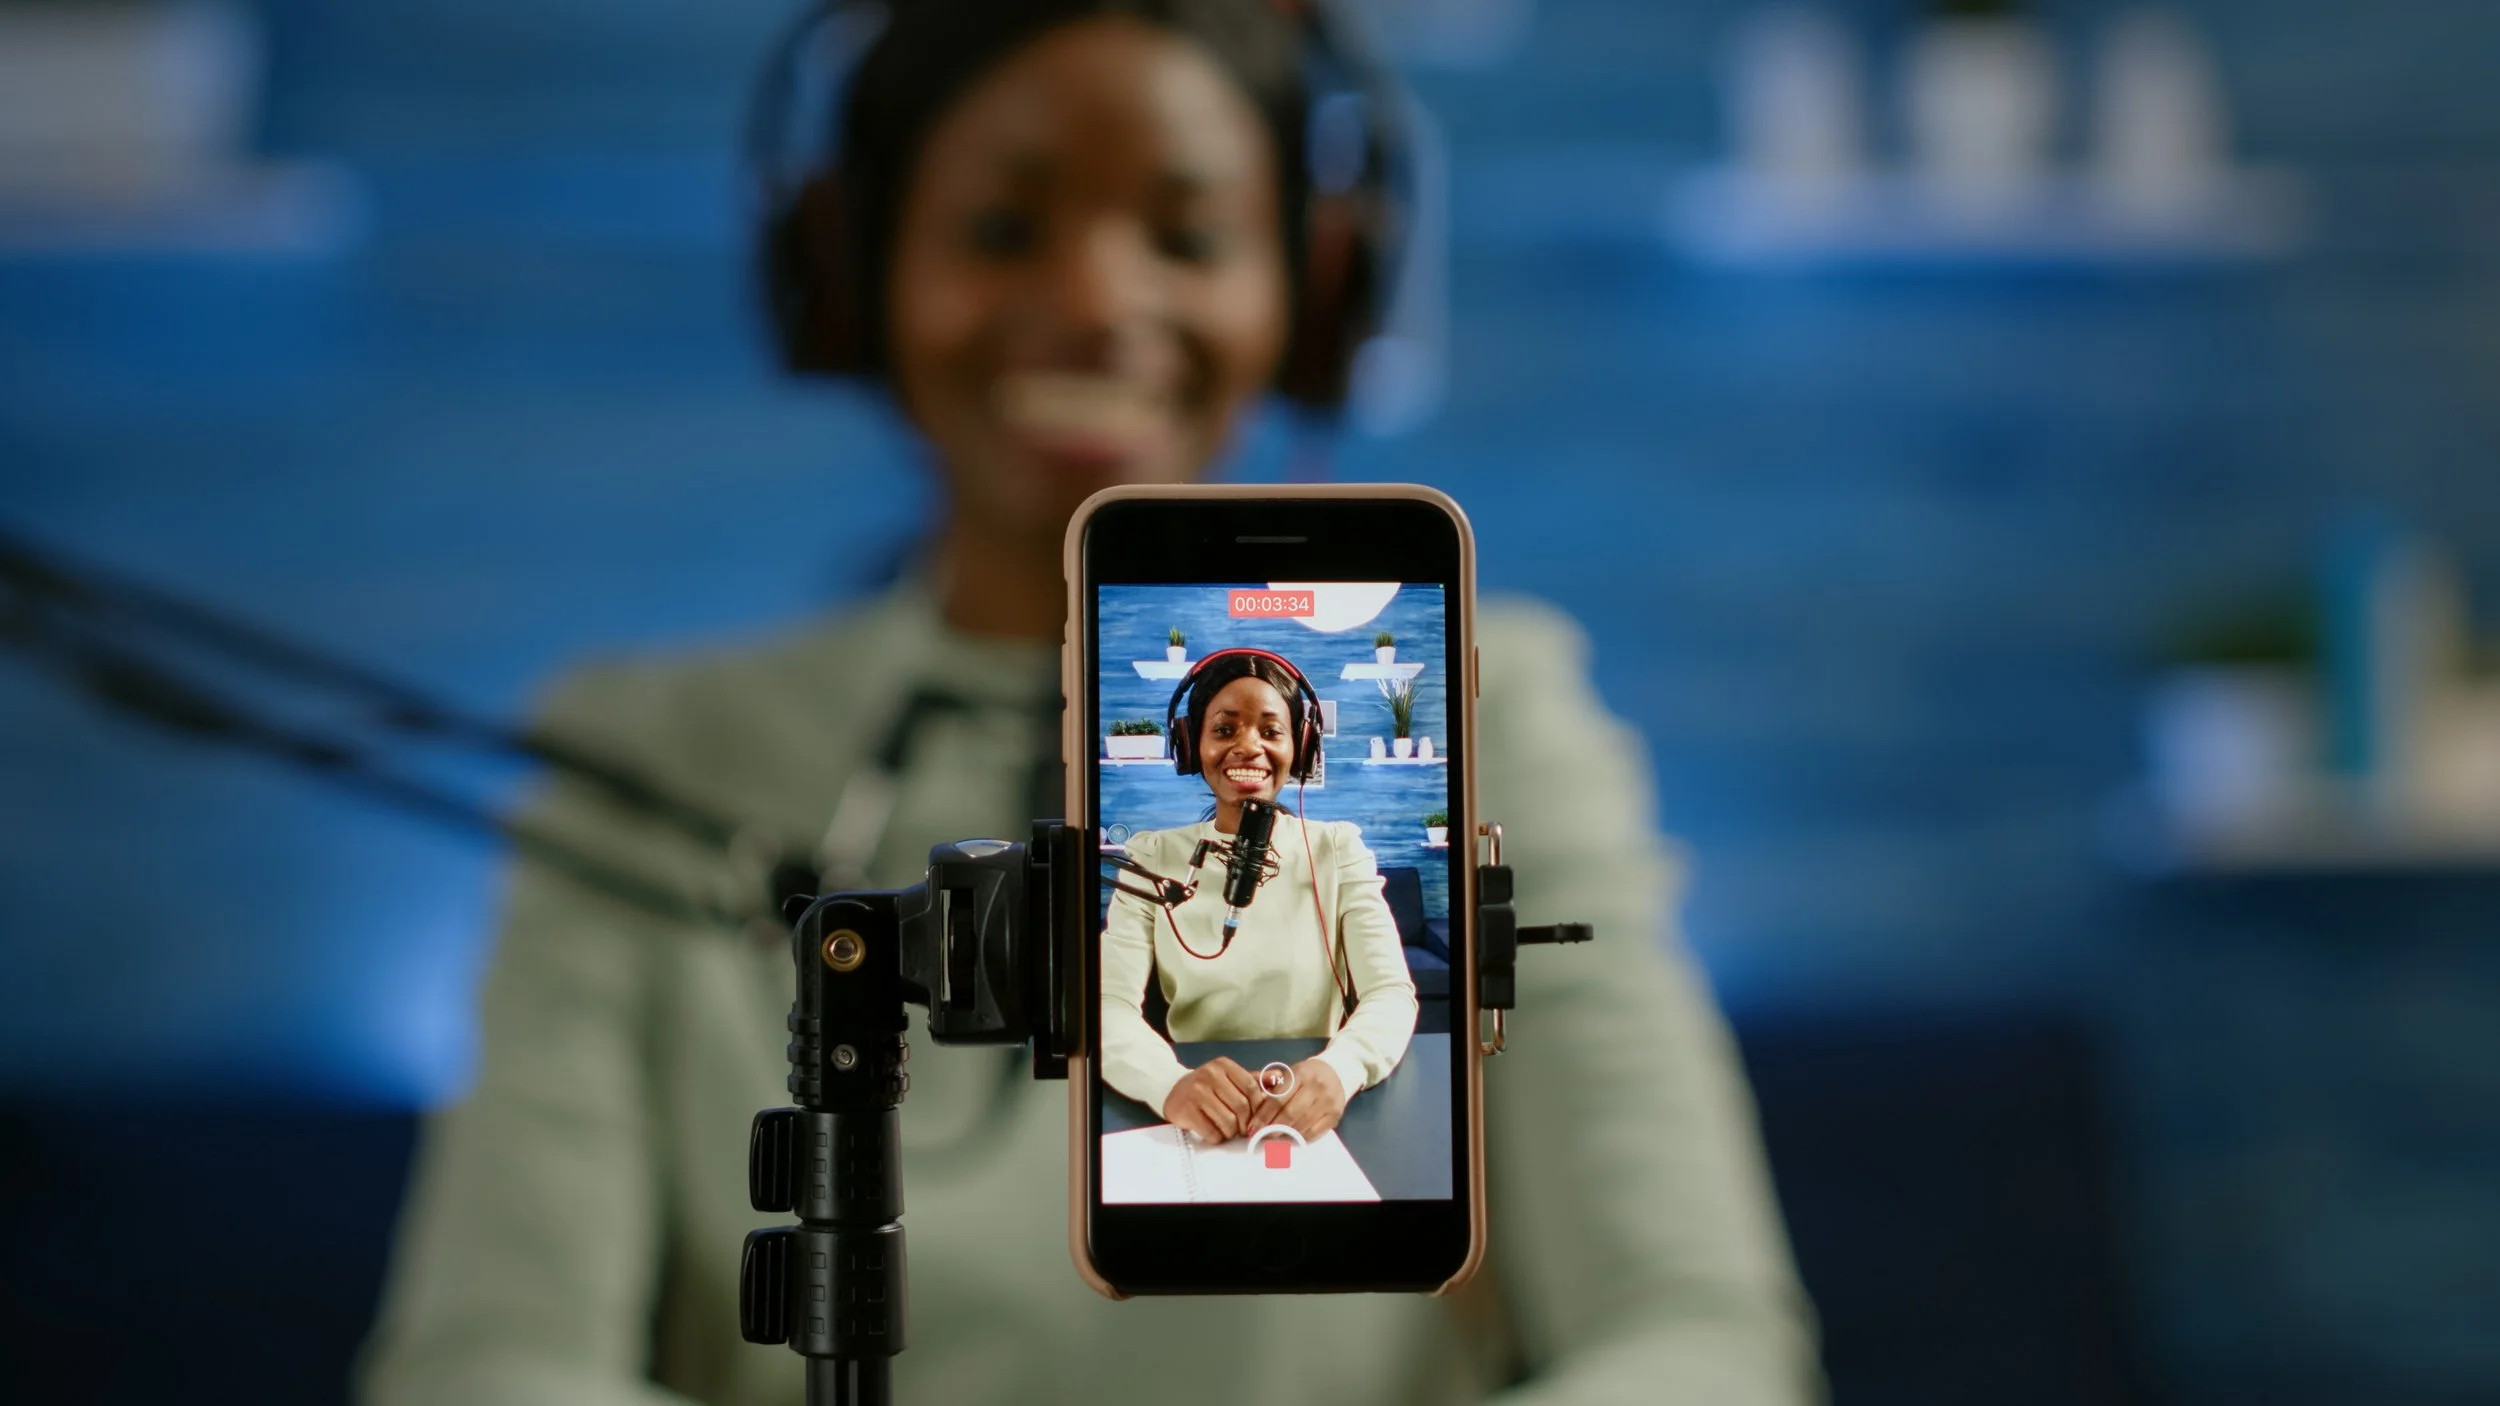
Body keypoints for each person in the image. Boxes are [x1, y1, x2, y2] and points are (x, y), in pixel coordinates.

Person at [360, 2, 1824, 1403]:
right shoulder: (640, 754)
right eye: (1003, 229)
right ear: (852, 264)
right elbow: (482, 1367)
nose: (1095, 302)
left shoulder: (1474, 724)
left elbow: (1704, 1347)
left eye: (1189, 235)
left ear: (1311, 288)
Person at [1099, 649, 1419, 1142]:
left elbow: (1391, 993)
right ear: (1190, 746)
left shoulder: (1338, 848)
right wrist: (1169, 1084)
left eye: (1271, 731)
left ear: (1302, 748)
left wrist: (1341, 1069)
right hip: (1201, 1109)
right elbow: (1107, 1005)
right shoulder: (1152, 856)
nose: (1248, 747)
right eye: (1224, 730)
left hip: (1313, 1107)